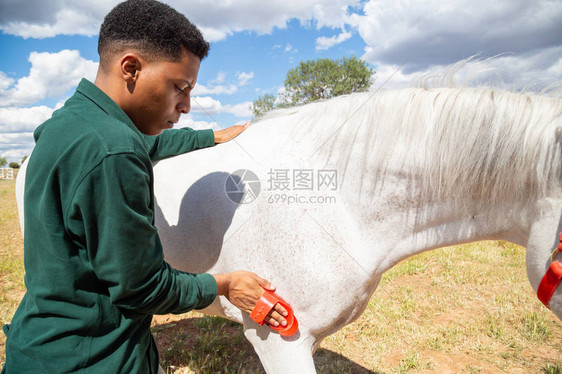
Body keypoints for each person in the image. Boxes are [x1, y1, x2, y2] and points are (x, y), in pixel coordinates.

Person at [1, 1, 287, 372]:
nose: (185, 105)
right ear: (131, 68)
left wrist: (209, 137)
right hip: (97, 358)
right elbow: (142, 288)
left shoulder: (69, 125)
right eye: (180, 87)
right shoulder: (113, 153)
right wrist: (224, 283)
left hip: (42, 344)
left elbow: (147, 143)